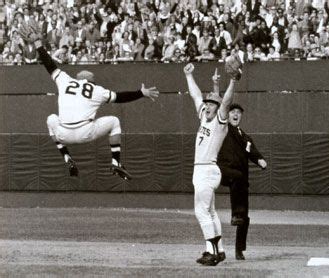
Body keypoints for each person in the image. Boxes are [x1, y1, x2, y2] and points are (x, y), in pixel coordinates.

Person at [18, 20, 159, 179]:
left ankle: (66, 156)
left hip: (64, 133)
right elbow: (120, 97)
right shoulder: (97, 90)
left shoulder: (66, 80)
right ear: (91, 82)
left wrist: (37, 42)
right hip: (85, 132)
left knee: (51, 119)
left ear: (78, 79)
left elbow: (49, 63)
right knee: (114, 122)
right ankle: (116, 162)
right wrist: (141, 93)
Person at [183, 56, 242, 266]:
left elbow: (225, 102)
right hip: (204, 170)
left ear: (217, 108)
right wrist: (189, 75)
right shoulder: (204, 117)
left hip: (207, 170)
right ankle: (221, 250)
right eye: (207, 104)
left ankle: (211, 251)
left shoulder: (219, 120)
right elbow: (195, 95)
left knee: (200, 211)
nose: (207, 106)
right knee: (210, 211)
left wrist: (233, 81)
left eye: (211, 104)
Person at [217, 103, 267, 260]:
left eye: (238, 112)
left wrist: (260, 160)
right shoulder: (224, 129)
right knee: (237, 177)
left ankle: (239, 250)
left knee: (244, 216)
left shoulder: (246, 138)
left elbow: (254, 153)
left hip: (240, 178)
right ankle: (235, 214)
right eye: (233, 111)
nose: (236, 114)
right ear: (228, 114)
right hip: (224, 170)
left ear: (241, 116)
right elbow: (222, 112)